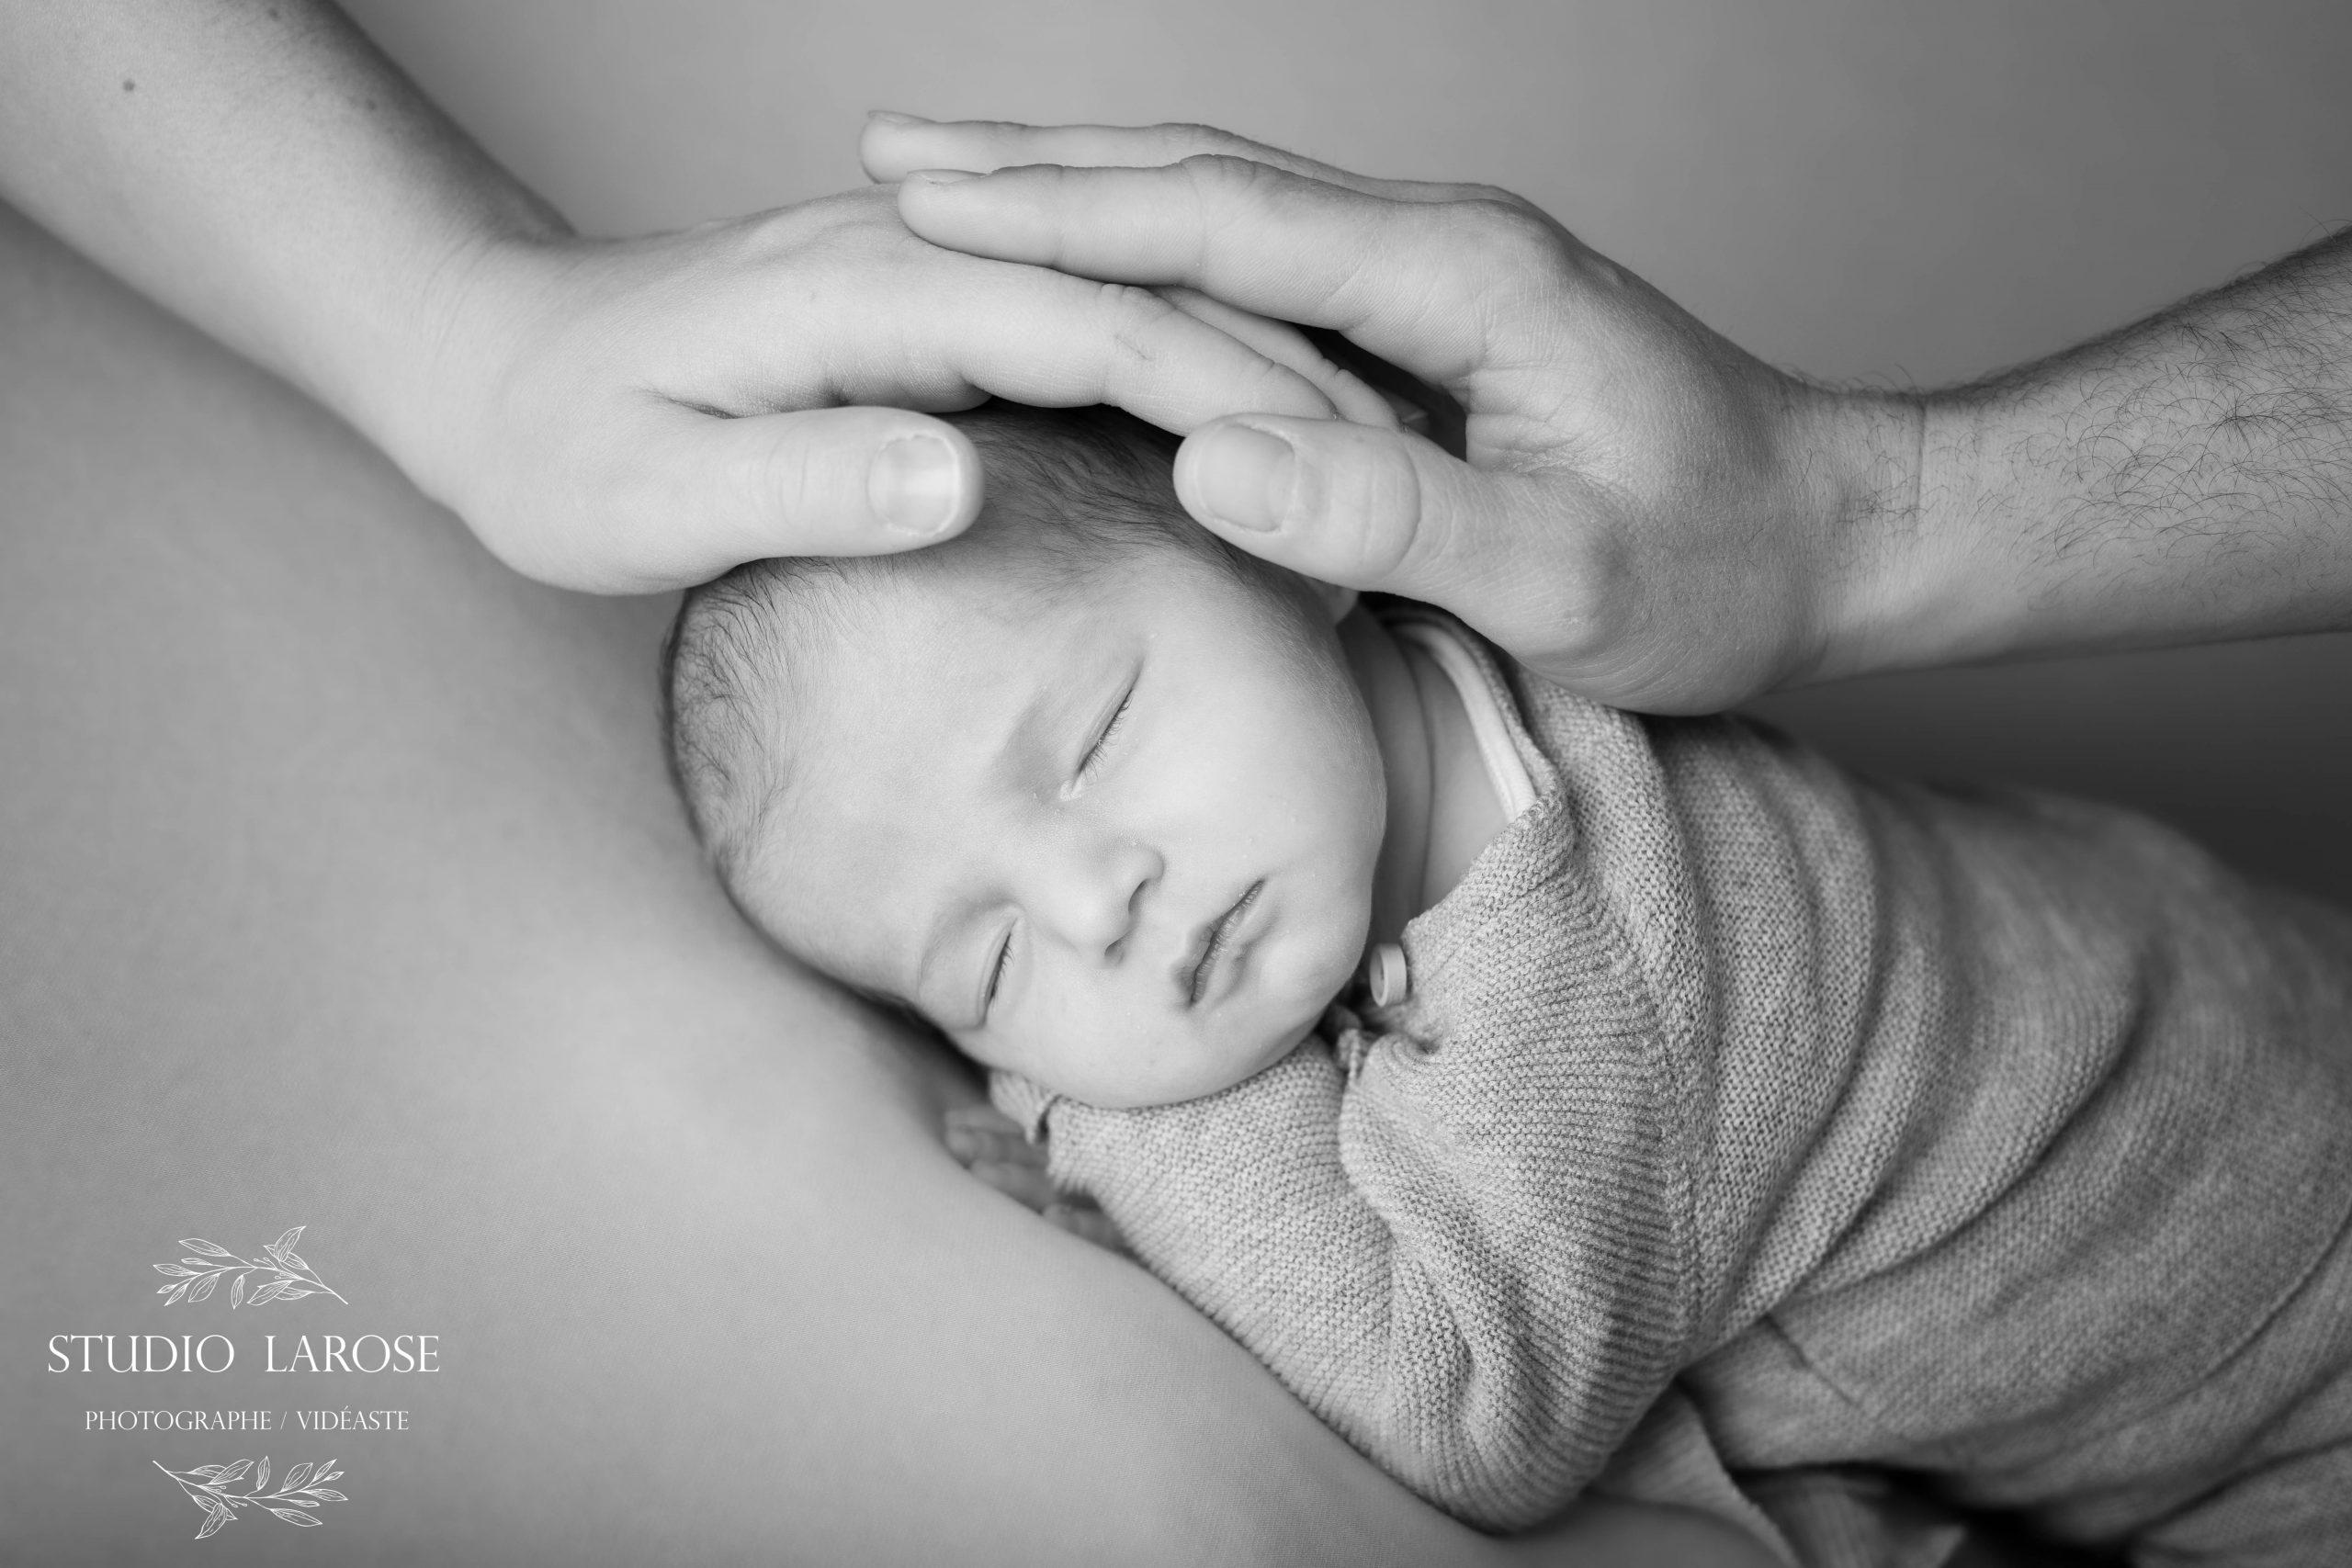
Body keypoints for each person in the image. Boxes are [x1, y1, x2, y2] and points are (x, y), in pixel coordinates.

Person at [663, 400, 2352, 1567]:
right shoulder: (1435, 712)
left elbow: (1471, 1411)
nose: (1098, 903)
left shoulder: (1600, 982)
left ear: (1297, 555)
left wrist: (1102, 1110)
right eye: (993, 959)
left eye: (1098, 739)